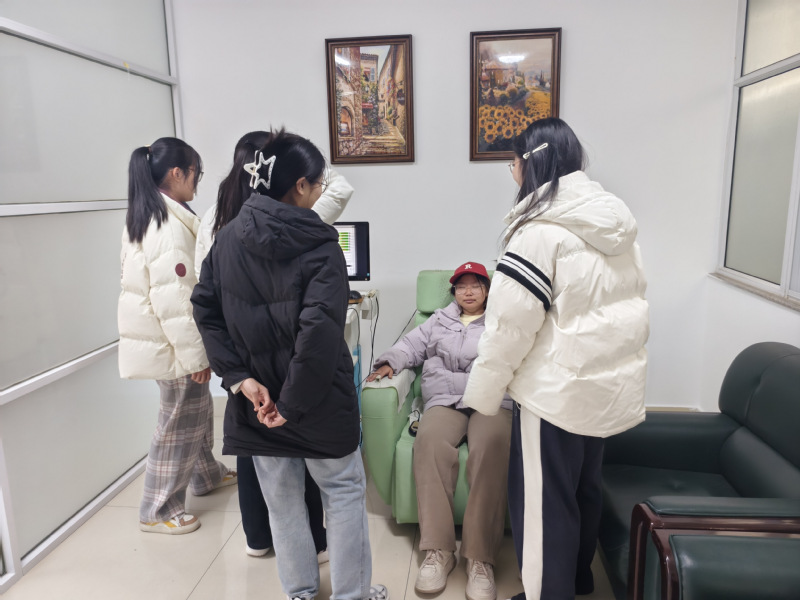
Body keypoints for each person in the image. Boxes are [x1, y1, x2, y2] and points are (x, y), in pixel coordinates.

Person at [191, 129, 387, 600]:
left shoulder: (226, 239)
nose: (320, 192)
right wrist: (292, 405)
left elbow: (205, 311)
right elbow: (318, 335)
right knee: (342, 493)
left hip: (257, 405)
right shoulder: (321, 244)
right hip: (317, 401)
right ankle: (352, 595)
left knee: (281, 502)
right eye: (317, 184)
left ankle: (299, 592)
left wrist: (240, 379)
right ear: (300, 186)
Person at [463, 118, 649, 600]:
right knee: (585, 488)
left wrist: (482, 395)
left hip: (554, 393)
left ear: (532, 163)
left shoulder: (539, 233)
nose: (511, 172)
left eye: (512, 163)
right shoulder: (617, 226)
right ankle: (577, 580)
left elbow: (509, 328)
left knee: (546, 503)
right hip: (601, 390)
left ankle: (549, 593)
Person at [367, 261, 511, 600]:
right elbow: (409, 347)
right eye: (461, 286)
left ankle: (480, 558)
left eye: (476, 285)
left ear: (488, 290)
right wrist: (388, 362)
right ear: (454, 292)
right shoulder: (438, 320)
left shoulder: (502, 322)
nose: (468, 292)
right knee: (429, 443)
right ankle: (439, 551)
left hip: (489, 399)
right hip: (445, 399)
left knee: (492, 446)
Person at [117, 137, 236, 535]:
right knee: (178, 422)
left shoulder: (153, 212)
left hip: (164, 340)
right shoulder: (166, 226)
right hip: (173, 343)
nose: (197, 182)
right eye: (196, 174)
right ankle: (157, 508)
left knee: (195, 412)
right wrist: (196, 358)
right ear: (176, 173)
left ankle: (206, 475)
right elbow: (175, 302)